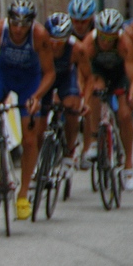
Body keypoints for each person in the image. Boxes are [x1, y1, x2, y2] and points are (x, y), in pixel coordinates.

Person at [0, 0, 55, 221]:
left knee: (29, 139)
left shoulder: (39, 36)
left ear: (31, 24)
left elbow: (49, 73)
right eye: (15, 24)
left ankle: (22, 195)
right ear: (8, 20)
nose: (19, 30)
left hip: (29, 83)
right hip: (2, 77)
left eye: (24, 24)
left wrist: (37, 96)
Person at [74, 8, 133, 191]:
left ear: (117, 36)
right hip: (99, 73)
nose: (105, 42)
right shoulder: (89, 43)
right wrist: (83, 98)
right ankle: (95, 139)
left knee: (125, 115)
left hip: (120, 74)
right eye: (103, 37)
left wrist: (132, 94)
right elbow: (84, 75)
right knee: (95, 91)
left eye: (110, 38)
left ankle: (128, 166)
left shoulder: (124, 43)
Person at [41, 12, 83, 173]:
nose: (55, 46)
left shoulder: (77, 48)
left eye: (60, 42)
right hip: (45, 78)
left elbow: (86, 76)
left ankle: (69, 150)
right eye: (52, 41)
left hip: (66, 78)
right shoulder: (39, 45)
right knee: (38, 115)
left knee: (72, 107)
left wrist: (83, 100)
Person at [68, 0, 98, 167]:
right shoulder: (66, 29)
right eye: (75, 21)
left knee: (89, 104)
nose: (78, 25)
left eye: (83, 21)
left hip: (94, 64)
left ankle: (88, 147)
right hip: (74, 65)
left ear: (91, 19)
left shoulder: (97, 30)